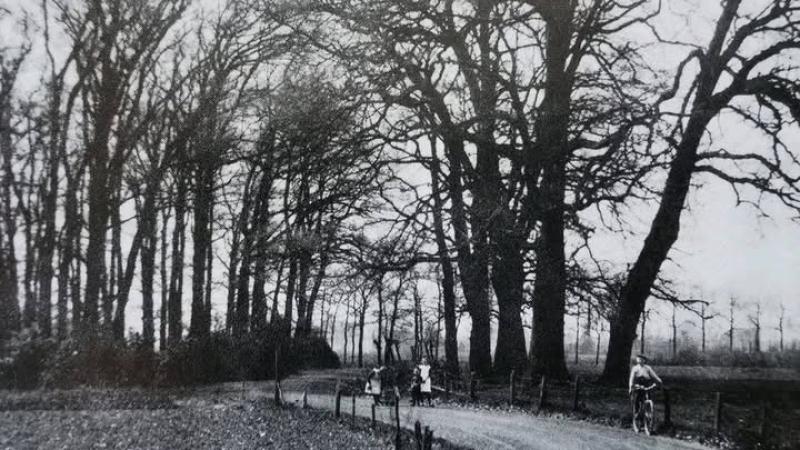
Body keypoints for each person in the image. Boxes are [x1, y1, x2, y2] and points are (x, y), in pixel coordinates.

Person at [628, 354, 663, 430]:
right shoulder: (635, 368)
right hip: (638, 384)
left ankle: (649, 413)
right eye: (638, 359)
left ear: (644, 361)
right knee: (637, 399)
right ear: (637, 360)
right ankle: (636, 414)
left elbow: (654, 375)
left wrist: (659, 381)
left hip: (646, 383)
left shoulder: (647, 368)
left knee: (649, 397)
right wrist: (631, 387)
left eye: (642, 359)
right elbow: (631, 378)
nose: (640, 360)